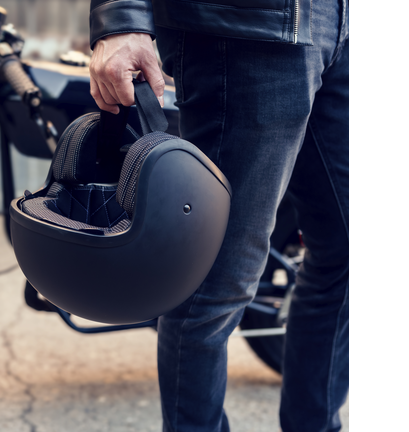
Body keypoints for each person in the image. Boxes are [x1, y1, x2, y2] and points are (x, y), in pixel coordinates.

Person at [87, 0, 349, 431]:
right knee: (213, 282)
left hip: (340, 23)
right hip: (248, 26)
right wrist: (121, 18)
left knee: (346, 251)